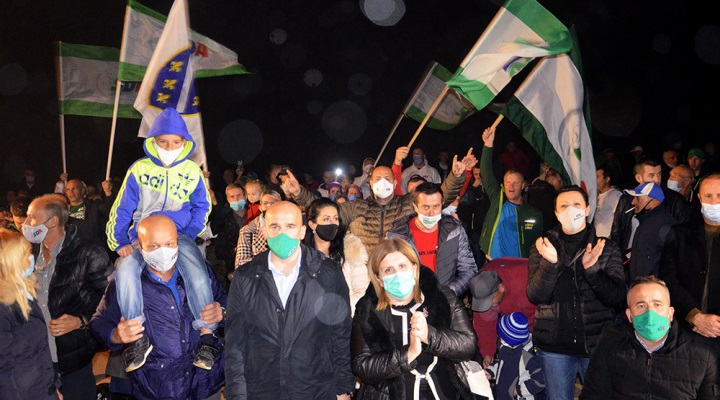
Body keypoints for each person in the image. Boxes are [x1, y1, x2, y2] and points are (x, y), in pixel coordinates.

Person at [105, 107, 216, 372]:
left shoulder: (192, 171)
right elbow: (122, 208)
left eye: (175, 142)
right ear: (153, 141)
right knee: (125, 271)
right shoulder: (139, 169)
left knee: (199, 274)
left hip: (177, 236)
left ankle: (207, 337)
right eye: (163, 141)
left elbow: (203, 206)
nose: (169, 147)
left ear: (185, 143)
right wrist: (119, 241)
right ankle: (137, 337)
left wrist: (188, 234)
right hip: (142, 236)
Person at [224, 201, 355, 399]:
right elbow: (235, 344)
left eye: (290, 227)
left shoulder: (327, 273)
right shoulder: (245, 277)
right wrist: (237, 394)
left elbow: (341, 334)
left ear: (302, 232)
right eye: (275, 227)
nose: (282, 234)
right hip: (263, 390)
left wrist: (343, 388)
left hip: (315, 389)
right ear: (264, 231)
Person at [92, 215, 226, 400]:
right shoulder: (125, 283)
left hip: (205, 383)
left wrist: (222, 312)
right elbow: (99, 322)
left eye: (169, 243)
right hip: (157, 388)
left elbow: (226, 302)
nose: (163, 252)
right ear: (139, 246)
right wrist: (115, 335)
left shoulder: (200, 271)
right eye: (154, 246)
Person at [526, 185, 627, 400]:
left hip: (596, 345)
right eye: (563, 206)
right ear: (556, 213)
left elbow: (618, 297)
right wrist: (550, 265)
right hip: (554, 348)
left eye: (576, 204)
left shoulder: (605, 248)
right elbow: (535, 295)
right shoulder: (543, 246)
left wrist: (593, 272)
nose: (570, 210)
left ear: (588, 209)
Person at [351, 237, 478, 399]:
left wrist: (430, 336)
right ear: (378, 279)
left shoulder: (441, 297)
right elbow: (362, 366)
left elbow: (468, 345)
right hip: (391, 394)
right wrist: (407, 355)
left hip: (443, 389)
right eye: (388, 270)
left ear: (415, 269)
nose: (397, 274)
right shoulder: (368, 310)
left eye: (402, 266)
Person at [286, 146, 471, 256]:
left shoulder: (407, 203)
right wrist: (299, 193)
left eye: (388, 179)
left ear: (396, 182)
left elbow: (439, 198)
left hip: (400, 271)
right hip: (365, 275)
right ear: (371, 183)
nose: (383, 182)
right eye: (378, 179)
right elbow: (325, 212)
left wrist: (456, 176)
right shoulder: (357, 206)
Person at [24, 194, 114, 400]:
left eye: (32, 218)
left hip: (73, 358)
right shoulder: (27, 253)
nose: (27, 223)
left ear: (53, 221)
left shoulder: (88, 253)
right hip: (37, 357)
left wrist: (81, 320)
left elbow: (111, 300)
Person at [580, 277, 720, 399]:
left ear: (670, 313)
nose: (650, 313)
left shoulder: (703, 354)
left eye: (657, 304)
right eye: (641, 306)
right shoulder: (610, 344)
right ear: (629, 315)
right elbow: (593, 394)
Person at [387, 182, 478, 297]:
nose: (431, 213)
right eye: (425, 207)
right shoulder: (397, 235)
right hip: (409, 300)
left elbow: (469, 270)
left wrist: (446, 294)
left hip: (445, 301)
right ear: (415, 206)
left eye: (436, 207)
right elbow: (388, 272)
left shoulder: (454, 231)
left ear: (442, 204)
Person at [0, 229, 61, 399]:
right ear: (11, 262)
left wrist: (53, 388)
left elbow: (39, 350)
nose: (31, 258)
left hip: (42, 389)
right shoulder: (4, 308)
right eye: (26, 254)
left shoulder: (23, 295)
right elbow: (3, 371)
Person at [659, 173, 720, 338]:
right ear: (699, 198)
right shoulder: (679, 235)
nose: (714, 202)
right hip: (687, 332)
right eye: (708, 196)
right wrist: (694, 316)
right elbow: (668, 280)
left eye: (719, 196)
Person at [480, 126, 544, 260]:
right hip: (492, 262)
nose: (511, 186)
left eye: (515, 183)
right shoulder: (498, 198)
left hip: (518, 266)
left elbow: (536, 243)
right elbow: (486, 172)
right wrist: (488, 145)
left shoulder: (532, 213)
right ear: (503, 184)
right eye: (508, 182)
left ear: (523, 185)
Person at [302, 197, 369, 315]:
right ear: (312, 224)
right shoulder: (301, 256)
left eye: (335, 218)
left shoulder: (351, 250)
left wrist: (339, 310)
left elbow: (362, 291)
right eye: (326, 219)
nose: (332, 224)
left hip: (346, 317)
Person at [610, 158, 692, 252]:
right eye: (651, 175)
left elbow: (682, 234)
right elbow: (617, 232)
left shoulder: (675, 200)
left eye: (659, 174)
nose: (657, 180)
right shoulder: (626, 199)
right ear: (638, 178)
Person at [470, 259, 537, 367]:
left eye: (489, 301)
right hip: (516, 323)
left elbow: (548, 311)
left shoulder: (526, 283)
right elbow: (484, 324)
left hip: (542, 318)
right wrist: (487, 352)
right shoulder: (482, 286)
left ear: (501, 288)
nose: (487, 305)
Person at [622, 182, 677, 280]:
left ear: (654, 202)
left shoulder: (663, 224)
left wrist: (655, 278)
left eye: (638, 198)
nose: (633, 202)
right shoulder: (646, 221)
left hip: (651, 288)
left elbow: (672, 259)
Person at [485, 312, 545, 400]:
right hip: (501, 395)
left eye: (502, 336)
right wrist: (490, 372)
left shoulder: (528, 355)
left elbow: (540, 380)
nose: (500, 338)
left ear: (511, 339)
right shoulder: (505, 347)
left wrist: (519, 390)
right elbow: (500, 363)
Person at [234, 189, 282, 268]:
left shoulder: (288, 228)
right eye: (265, 203)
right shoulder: (247, 231)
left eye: (273, 203)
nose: (269, 206)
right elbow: (241, 265)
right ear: (260, 207)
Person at [210, 183, 247, 286]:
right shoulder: (223, 220)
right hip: (233, 271)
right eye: (232, 196)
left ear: (245, 196)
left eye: (239, 195)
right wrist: (234, 250)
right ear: (228, 199)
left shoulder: (254, 213)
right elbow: (219, 252)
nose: (236, 199)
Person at [593, 166, 622, 238]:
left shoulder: (615, 195)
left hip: (608, 239)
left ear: (607, 179)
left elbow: (621, 218)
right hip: (597, 238)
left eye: (597, 177)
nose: (594, 180)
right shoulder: (595, 195)